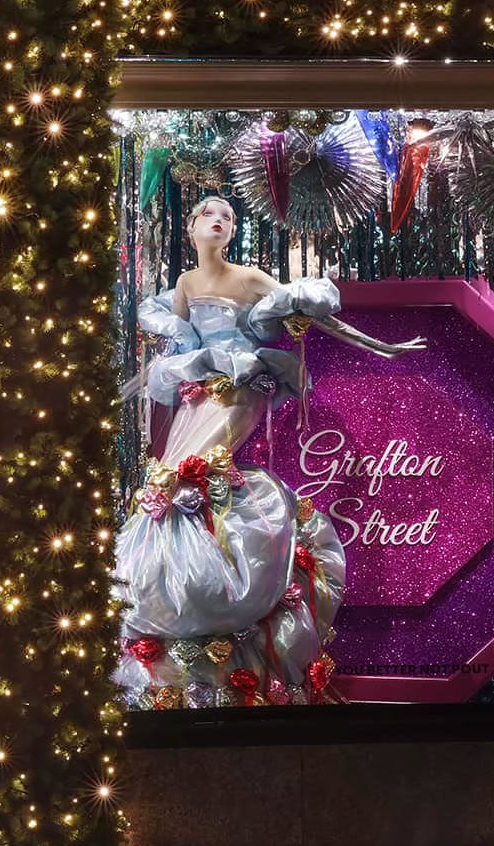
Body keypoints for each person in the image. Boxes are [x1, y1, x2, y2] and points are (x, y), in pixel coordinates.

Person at [113, 196, 423, 709]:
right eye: (209, 214)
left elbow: (310, 314)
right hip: (199, 386)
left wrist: (382, 348)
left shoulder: (251, 277)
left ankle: (223, 588)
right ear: (190, 227)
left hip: (242, 386)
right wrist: (148, 383)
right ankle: (179, 596)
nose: (220, 221)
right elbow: (176, 345)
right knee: (172, 485)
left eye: (229, 217)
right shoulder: (187, 286)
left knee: (187, 477)